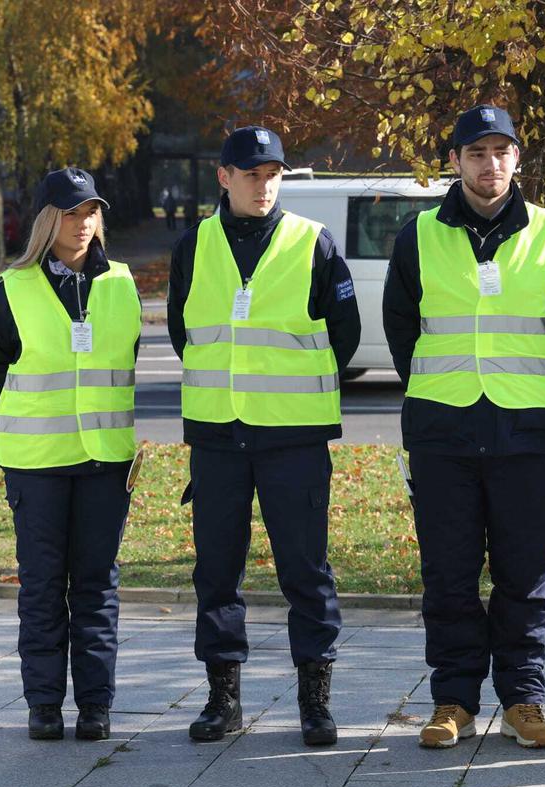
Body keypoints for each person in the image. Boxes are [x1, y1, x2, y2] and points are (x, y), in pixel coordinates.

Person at [382, 105, 545, 749]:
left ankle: (523, 699)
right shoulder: (417, 235)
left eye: (501, 151)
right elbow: (401, 328)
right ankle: (453, 700)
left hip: (525, 430)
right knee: (447, 573)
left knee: (523, 572)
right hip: (442, 430)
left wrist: (533, 390)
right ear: (455, 162)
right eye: (476, 153)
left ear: (517, 159)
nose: (489, 164)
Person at [166, 126, 361, 746]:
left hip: (294, 438)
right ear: (223, 177)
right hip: (219, 436)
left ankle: (315, 701)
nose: (264, 184)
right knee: (216, 572)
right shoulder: (193, 244)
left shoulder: (313, 242)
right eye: (251, 173)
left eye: (273, 172)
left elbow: (345, 332)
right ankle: (223, 701)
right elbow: (181, 329)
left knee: (306, 570)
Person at [0, 168, 140, 741]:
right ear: (48, 221)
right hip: (37, 462)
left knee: (96, 586)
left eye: (91, 212)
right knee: (43, 586)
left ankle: (96, 706)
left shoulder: (122, 283)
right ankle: (44, 704)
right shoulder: (9, 290)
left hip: (104, 462)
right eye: (71, 213)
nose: (83, 223)